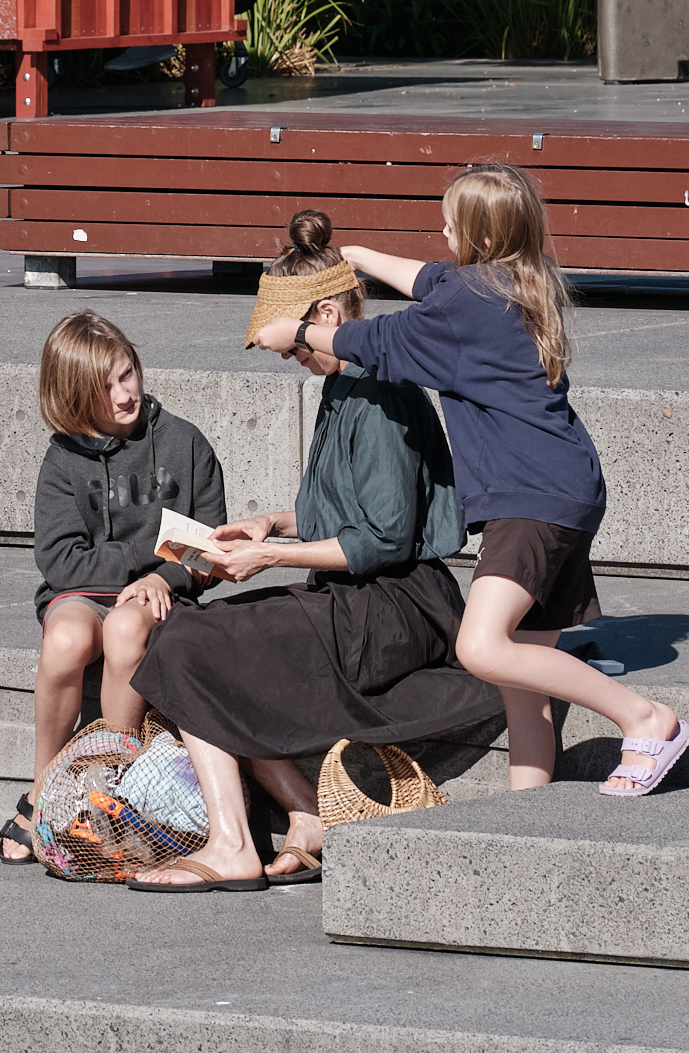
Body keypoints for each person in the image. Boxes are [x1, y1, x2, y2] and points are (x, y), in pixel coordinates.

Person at [256, 162, 689, 801]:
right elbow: (427, 278)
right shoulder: (513, 281)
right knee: (522, 686)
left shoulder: (467, 304)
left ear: (479, 239)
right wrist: (354, 256)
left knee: (482, 649)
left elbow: (377, 339)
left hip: (530, 499)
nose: (440, 229)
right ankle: (528, 810)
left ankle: (644, 719)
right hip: (562, 487)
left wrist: (295, 330)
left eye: (449, 221)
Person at [127, 210, 498, 893]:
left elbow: (383, 538)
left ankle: (233, 844)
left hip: (396, 607)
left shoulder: (381, 392)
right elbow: (353, 510)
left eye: (296, 346)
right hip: (370, 597)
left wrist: (271, 560)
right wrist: (271, 524)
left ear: (326, 313)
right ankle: (302, 818)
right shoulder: (347, 382)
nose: (295, 358)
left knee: (188, 645)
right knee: (194, 638)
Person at [0, 310, 226, 866]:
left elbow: (207, 549)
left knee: (126, 630)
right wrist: (146, 555)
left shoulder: (185, 444)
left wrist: (163, 575)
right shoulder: (63, 459)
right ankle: (43, 790)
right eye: (103, 388)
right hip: (80, 592)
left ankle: (106, 785)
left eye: (127, 374)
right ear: (74, 396)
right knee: (67, 642)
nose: (123, 394)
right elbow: (59, 561)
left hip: (159, 593)